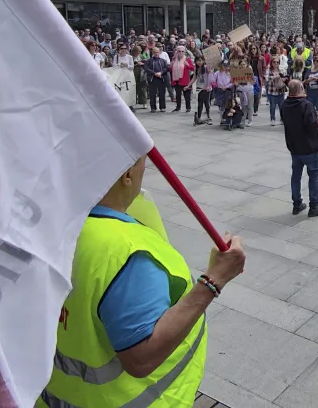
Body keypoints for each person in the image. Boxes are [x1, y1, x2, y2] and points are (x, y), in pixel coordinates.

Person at [38, 156, 246, 408]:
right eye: (141, 160)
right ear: (127, 174)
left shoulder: (47, 228)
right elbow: (141, 359)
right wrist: (214, 279)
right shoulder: (126, 253)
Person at [282, 80, 318, 217]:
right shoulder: (306, 105)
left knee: (296, 175)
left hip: (294, 146)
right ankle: (314, 206)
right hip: (309, 147)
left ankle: (297, 204)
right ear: (301, 88)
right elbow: (312, 126)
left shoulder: (285, 104)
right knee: (313, 176)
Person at [170, 46, 194, 114]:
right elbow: (170, 70)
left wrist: (187, 65)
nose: (181, 53)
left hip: (185, 81)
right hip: (176, 80)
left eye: (182, 51)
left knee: (187, 96)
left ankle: (188, 107)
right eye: (179, 51)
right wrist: (171, 65)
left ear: (184, 52)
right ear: (177, 52)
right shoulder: (174, 59)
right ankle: (178, 107)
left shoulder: (187, 59)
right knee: (178, 95)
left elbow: (192, 68)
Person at [145, 46, 169, 113]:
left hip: (161, 78)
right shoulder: (149, 61)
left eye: (157, 52)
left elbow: (166, 68)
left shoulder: (163, 61)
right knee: (152, 94)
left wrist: (161, 72)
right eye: (155, 52)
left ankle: (162, 107)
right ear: (153, 53)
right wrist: (154, 73)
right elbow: (146, 68)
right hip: (152, 79)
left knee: (162, 94)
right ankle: (153, 108)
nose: (156, 53)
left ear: (159, 53)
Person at [264, 59, 286, 126]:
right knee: (272, 106)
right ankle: (272, 119)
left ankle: (282, 119)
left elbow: (285, 77)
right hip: (271, 91)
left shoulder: (281, 69)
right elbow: (267, 78)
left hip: (280, 90)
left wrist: (284, 79)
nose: (276, 63)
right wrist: (274, 77)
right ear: (271, 63)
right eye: (274, 62)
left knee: (281, 106)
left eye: (277, 62)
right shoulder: (269, 70)